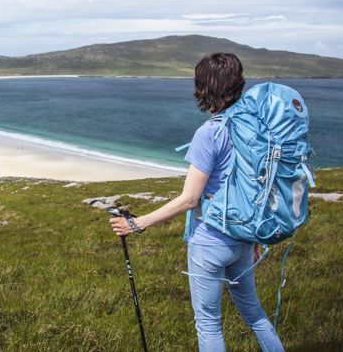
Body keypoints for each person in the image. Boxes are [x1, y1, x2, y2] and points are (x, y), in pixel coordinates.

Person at [109, 53, 284, 352]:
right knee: (254, 313)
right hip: (243, 237)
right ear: (238, 84)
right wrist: (253, 237)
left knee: (208, 323)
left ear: (204, 87)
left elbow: (190, 199)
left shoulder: (210, 133)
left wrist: (136, 224)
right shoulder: (256, 131)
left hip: (211, 240)